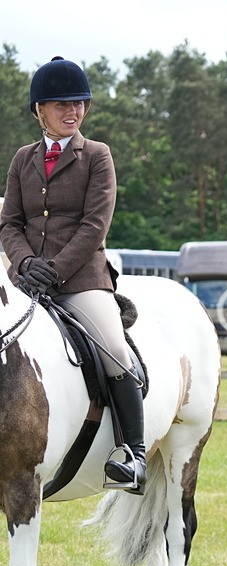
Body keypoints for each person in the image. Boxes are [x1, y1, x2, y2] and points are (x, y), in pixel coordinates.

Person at [0, 57, 147, 494]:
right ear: (39, 110)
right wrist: (25, 264)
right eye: (62, 104)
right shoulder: (23, 160)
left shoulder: (97, 156)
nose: (73, 111)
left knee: (116, 352)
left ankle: (133, 455)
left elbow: (94, 226)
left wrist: (55, 270)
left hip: (81, 281)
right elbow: (9, 223)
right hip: (27, 283)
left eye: (80, 103)